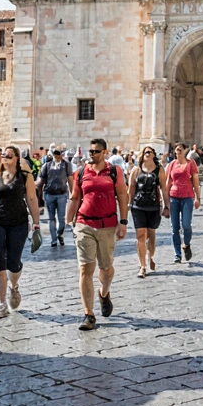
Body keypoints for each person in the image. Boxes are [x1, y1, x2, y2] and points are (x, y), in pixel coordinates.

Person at [67, 138, 130, 330]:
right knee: (85, 268)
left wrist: (123, 222)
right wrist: (69, 222)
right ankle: (88, 314)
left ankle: (104, 293)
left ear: (104, 153)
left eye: (95, 151)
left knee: (107, 268)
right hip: (84, 223)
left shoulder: (114, 171)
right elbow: (75, 197)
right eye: (90, 151)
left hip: (107, 225)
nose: (91, 154)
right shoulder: (81, 173)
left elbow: (122, 195)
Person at [0, 146, 39, 318]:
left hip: (18, 223)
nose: (5, 158)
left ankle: (15, 286)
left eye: (9, 156)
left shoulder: (25, 177)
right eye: (3, 155)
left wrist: (36, 222)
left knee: (14, 262)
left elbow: (32, 198)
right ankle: (1, 303)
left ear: (17, 159)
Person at [130, 145, 170, 277]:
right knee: (141, 237)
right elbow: (131, 188)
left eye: (150, 152)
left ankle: (150, 256)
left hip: (153, 206)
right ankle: (142, 266)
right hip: (138, 206)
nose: (147, 154)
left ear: (153, 155)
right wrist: (128, 204)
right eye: (145, 152)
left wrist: (166, 206)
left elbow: (164, 189)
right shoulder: (135, 170)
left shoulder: (159, 170)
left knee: (151, 237)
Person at [167, 143, 201, 263]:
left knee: (186, 225)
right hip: (173, 197)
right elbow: (168, 182)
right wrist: (165, 201)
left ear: (185, 150)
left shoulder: (191, 164)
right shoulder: (171, 164)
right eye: (176, 150)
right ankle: (177, 254)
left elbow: (195, 181)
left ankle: (186, 244)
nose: (178, 152)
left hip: (187, 197)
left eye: (180, 150)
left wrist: (198, 198)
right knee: (174, 228)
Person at [36, 146, 73, 246]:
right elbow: (41, 180)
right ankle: (54, 240)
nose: (57, 156)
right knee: (51, 218)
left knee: (61, 219)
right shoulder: (46, 166)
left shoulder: (66, 165)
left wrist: (72, 193)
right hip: (49, 194)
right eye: (55, 154)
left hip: (62, 194)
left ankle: (59, 233)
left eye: (58, 154)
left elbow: (70, 179)